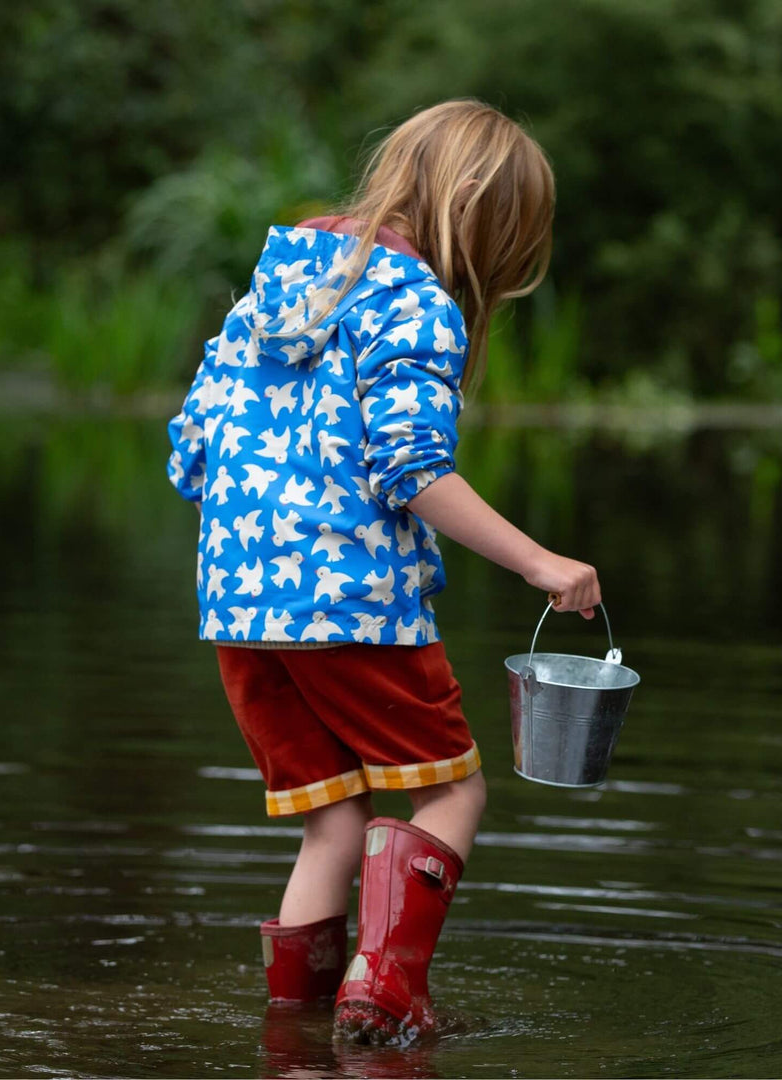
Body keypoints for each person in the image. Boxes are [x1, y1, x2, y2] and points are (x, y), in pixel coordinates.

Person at [166, 99, 601, 1045]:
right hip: (353, 607)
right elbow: (413, 472)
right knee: (455, 790)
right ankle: (384, 994)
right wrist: (541, 562)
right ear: (485, 226)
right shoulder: (415, 304)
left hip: (239, 611)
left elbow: (190, 451)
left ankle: (293, 1026)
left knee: (332, 817)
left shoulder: (271, 290)